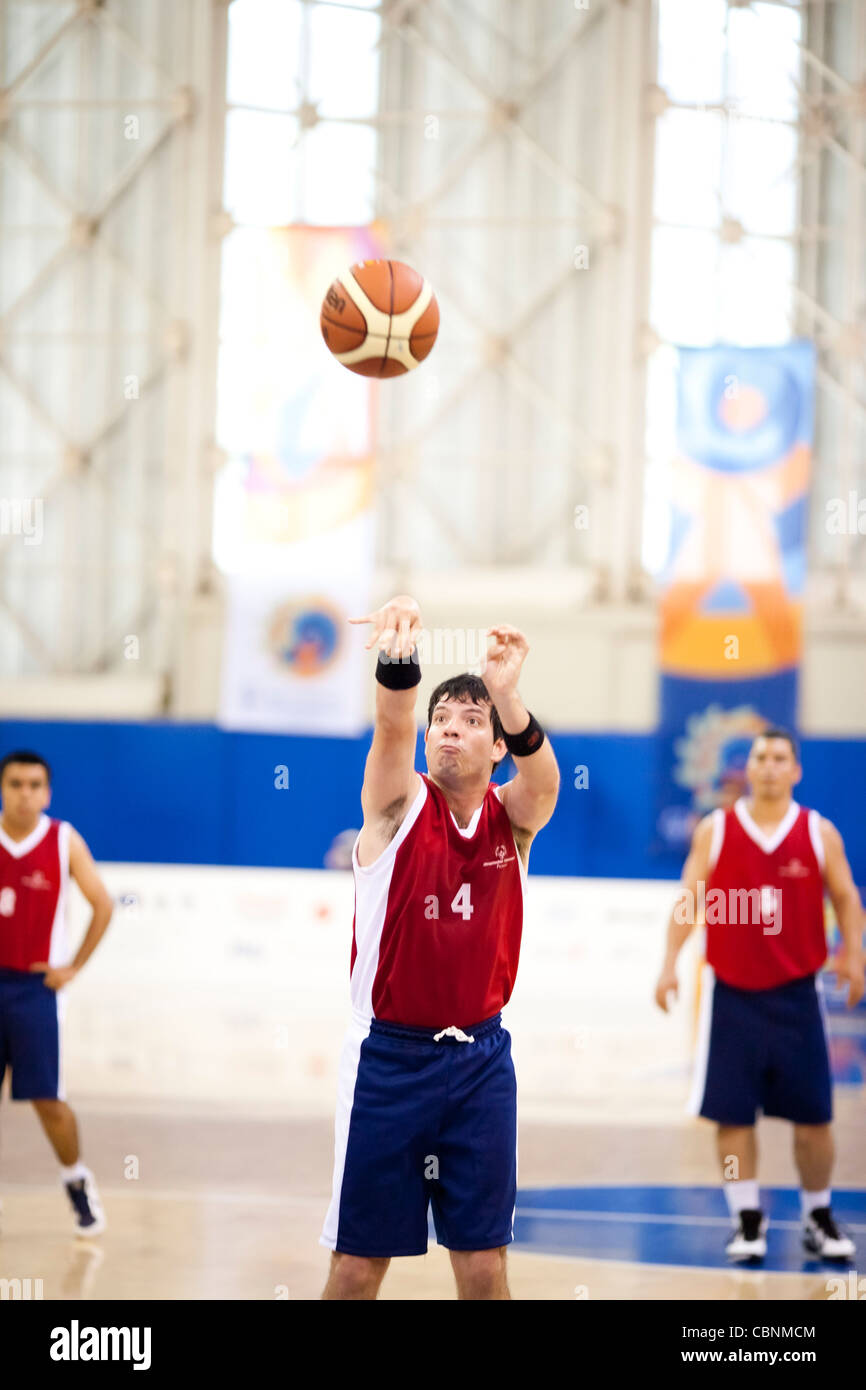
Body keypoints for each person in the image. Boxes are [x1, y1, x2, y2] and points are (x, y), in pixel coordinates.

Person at [320, 594, 560, 1299]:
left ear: (496, 747)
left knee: (484, 1266)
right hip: (388, 1062)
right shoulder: (397, 804)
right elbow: (393, 725)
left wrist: (508, 697)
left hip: (482, 1061)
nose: (450, 729)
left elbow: (543, 781)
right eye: (443, 720)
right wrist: (399, 656)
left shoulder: (511, 820)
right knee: (359, 1267)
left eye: (472, 719)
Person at [655, 729, 865, 1261]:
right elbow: (690, 898)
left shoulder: (819, 832)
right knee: (732, 1115)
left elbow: (845, 896)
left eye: (779, 758)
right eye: (760, 758)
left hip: (798, 997)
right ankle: (746, 1219)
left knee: (815, 1117)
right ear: (747, 769)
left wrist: (853, 955)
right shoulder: (717, 829)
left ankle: (818, 1216)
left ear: (796, 770)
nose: (769, 766)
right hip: (733, 996)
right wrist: (668, 965)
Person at [0, 750, 114, 1235]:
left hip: (34, 991)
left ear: (46, 792)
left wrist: (73, 967)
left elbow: (103, 905)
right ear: (3, 789)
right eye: (15, 784)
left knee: (48, 1100)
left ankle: (76, 1181)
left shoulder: (63, 840)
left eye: (34, 785)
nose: (25, 793)